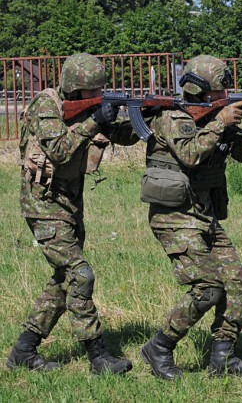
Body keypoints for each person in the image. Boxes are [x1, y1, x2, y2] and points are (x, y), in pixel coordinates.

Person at [139, 55, 242, 380]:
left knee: (235, 282)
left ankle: (223, 357)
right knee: (208, 288)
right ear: (197, 89)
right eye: (219, 90)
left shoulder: (217, 116)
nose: (225, 95)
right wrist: (220, 123)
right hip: (174, 216)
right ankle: (159, 347)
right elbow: (190, 154)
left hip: (205, 214)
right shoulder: (171, 117)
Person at [7, 53, 138, 375]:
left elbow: (124, 135)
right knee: (81, 275)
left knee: (63, 280)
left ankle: (24, 350)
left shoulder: (87, 108)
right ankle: (98, 356)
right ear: (74, 88)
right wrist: (95, 119)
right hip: (44, 206)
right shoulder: (46, 105)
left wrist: (142, 115)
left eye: (100, 90)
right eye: (91, 91)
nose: (97, 95)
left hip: (69, 206)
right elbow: (60, 150)